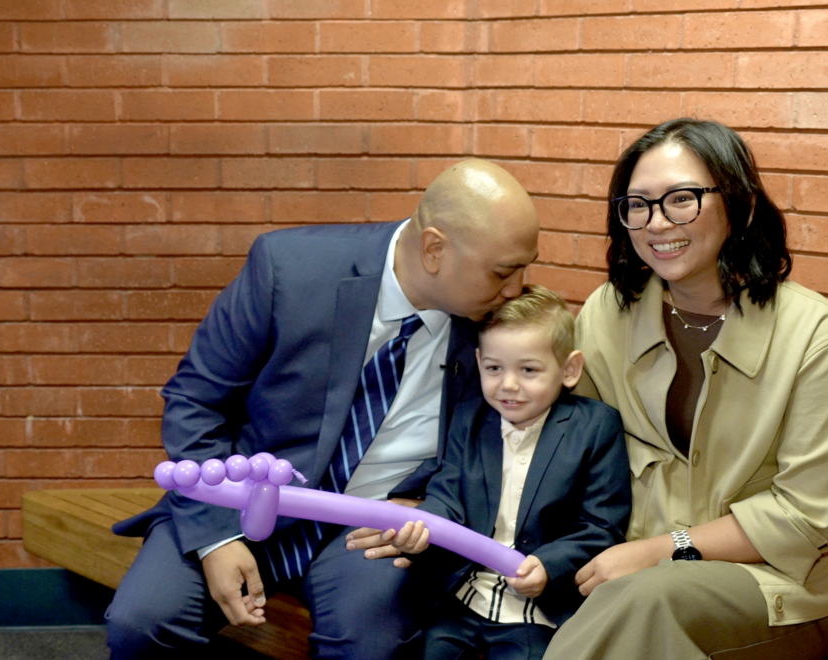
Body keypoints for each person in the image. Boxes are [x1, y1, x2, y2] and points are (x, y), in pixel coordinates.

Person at [104, 158, 541, 660]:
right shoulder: (287, 269)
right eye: (503, 272)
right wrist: (214, 539)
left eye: (525, 267)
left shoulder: (497, 323)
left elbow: (491, 445)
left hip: (373, 526)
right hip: (243, 499)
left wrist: (434, 509)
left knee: (368, 643)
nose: (515, 289)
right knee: (142, 622)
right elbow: (194, 401)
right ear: (435, 249)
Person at [542, 119, 828, 660]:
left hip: (772, 588)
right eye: (638, 205)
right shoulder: (608, 312)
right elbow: (572, 450)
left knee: (647, 602)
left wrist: (659, 552)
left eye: (681, 199)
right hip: (624, 575)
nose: (656, 222)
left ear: (738, 205)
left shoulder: (817, 338)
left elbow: (805, 517)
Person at [350, 285, 631, 660]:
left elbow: (602, 526)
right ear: (479, 361)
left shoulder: (596, 427)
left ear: (569, 369)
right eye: (494, 368)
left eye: (528, 369)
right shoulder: (470, 418)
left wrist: (549, 566)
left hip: (536, 612)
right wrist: (421, 531)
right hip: (463, 596)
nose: (508, 385)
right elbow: (447, 496)